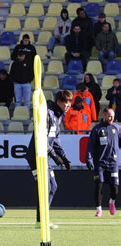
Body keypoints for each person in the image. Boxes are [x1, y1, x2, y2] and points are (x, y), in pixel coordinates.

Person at [25, 90, 73, 229]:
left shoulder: (58, 116)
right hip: (36, 156)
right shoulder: (48, 113)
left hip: (44, 156)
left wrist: (64, 157)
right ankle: (41, 221)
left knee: (53, 187)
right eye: (66, 102)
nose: (68, 105)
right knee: (45, 187)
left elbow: (55, 140)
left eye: (69, 102)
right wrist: (55, 157)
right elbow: (41, 139)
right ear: (58, 101)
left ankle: (42, 220)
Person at [86, 108, 121, 217]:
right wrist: (88, 158)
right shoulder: (97, 129)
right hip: (100, 162)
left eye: (113, 116)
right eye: (109, 116)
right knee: (99, 185)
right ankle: (99, 209)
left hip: (113, 163)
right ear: (104, 115)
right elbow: (90, 145)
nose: (111, 118)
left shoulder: (117, 128)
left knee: (114, 189)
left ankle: (112, 202)